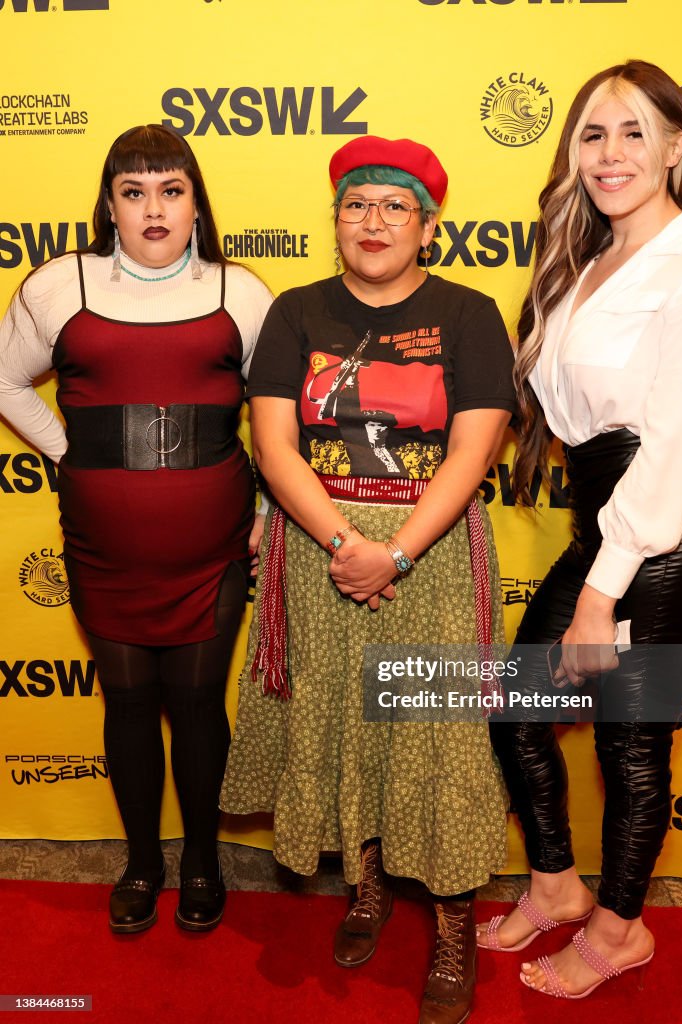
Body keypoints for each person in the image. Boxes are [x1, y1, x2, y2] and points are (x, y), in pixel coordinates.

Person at [220, 136, 515, 1024]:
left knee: (440, 733)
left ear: (428, 226)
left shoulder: (468, 313)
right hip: (316, 555)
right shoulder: (297, 313)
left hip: (428, 555)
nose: (372, 221)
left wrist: (394, 552)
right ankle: (368, 884)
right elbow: (273, 444)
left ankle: (455, 920)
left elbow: (474, 448)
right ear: (336, 220)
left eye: (393, 206)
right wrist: (348, 542)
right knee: (344, 717)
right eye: (355, 205)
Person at [480, 61, 682, 998]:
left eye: (634, 132)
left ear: (678, 145)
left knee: (630, 746)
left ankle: (619, 929)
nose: (609, 154)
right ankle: (555, 886)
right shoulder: (582, 262)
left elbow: (672, 442)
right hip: (606, 523)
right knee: (517, 713)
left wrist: (599, 596)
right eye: (592, 134)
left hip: (665, 534)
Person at [0, 124, 273, 934]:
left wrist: (265, 512)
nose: (153, 208)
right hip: (104, 546)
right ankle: (142, 861)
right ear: (109, 205)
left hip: (213, 546)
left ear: (195, 202)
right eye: (134, 191)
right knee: (126, 701)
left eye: (171, 189)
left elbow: (277, 421)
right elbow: (8, 384)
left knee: (194, 702)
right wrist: (71, 453)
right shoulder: (57, 285)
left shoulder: (242, 293)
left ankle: (199, 860)